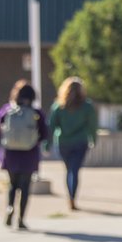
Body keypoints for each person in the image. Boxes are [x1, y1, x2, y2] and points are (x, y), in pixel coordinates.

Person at [0, 80, 49, 231]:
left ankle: (10, 208)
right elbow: (44, 134)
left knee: (12, 185)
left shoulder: (6, 110)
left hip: (10, 154)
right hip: (29, 155)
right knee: (25, 187)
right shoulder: (36, 113)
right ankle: (21, 218)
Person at [46, 76, 98, 212]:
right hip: (80, 142)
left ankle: (70, 196)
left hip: (63, 143)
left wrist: (47, 143)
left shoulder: (58, 106)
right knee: (74, 171)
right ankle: (72, 197)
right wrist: (93, 139)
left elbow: (51, 126)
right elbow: (92, 125)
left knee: (69, 170)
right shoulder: (87, 106)